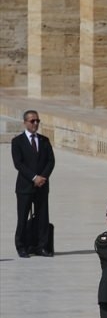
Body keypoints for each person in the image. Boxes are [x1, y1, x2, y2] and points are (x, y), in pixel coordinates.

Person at [11, 109, 56, 258]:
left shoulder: (44, 140)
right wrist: (34, 177)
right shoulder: (17, 142)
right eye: (32, 121)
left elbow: (51, 161)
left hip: (42, 186)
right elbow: (18, 163)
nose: (35, 123)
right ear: (25, 122)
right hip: (25, 186)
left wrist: (43, 177)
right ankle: (21, 246)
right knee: (23, 217)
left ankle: (42, 246)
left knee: (42, 217)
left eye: (37, 121)